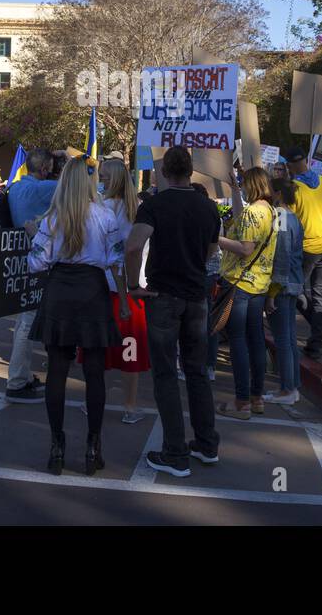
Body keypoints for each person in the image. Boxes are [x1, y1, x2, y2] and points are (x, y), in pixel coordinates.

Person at [125, 145, 222, 478]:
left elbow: (134, 245)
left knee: (166, 374)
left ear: (164, 172)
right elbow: (211, 251)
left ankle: (175, 452)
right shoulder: (208, 208)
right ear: (191, 171)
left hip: (163, 295)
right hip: (196, 297)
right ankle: (207, 444)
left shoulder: (154, 205)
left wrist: (132, 284)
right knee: (196, 372)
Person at [27, 155, 128, 475]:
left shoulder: (52, 219)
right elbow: (116, 260)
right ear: (87, 182)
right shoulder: (105, 217)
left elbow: (35, 265)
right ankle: (92, 447)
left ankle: (56, 447)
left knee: (57, 370)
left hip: (59, 292)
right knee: (95, 373)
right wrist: (124, 298)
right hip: (92, 293)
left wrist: (34, 237)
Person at [80, 156, 148, 423]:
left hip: (103, 288)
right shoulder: (139, 209)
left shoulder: (99, 208)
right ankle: (130, 407)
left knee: (97, 350)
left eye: (104, 175)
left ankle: (93, 400)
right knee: (129, 351)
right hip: (132, 289)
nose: (101, 179)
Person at [216, 167, 280, 419]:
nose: (241, 185)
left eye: (243, 183)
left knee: (238, 342)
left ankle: (241, 401)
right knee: (254, 341)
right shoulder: (269, 211)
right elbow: (245, 223)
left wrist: (216, 239)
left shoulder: (255, 212)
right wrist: (233, 191)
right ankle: (256, 397)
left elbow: (245, 248)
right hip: (259, 285)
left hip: (241, 284)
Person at [3, 149, 57, 403]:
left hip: (19, 259)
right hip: (38, 258)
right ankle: (16, 381)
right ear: (45, 168)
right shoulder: (45, 188)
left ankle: (22, 375)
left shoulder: (14, 188)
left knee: (22, 320)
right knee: (27, 322)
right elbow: (77, 182)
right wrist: (66, 158)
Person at [284, 146, 322, 355]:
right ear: (306, 161)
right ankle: (316, 341)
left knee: (294, 291)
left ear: (289, 166)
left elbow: (288, 222)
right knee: (320, 293)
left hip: (306, 247)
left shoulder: (293, 188)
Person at [266, 180, 304, 404]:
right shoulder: (293, 217)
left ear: (278, 193)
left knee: (283, 338)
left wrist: (272, 292)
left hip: (283, 285)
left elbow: (281, 256)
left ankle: (287, 389)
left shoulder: (281, 217)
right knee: (288, 338)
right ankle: (292, 386)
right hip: (292, 283)